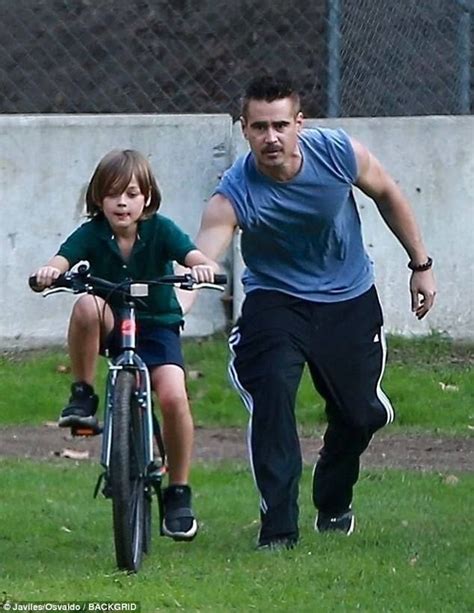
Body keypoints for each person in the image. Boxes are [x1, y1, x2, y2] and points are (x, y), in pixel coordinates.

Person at [189, 74, 436, 550]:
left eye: (280, 124)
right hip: (276, 302)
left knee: (361, 415)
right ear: (244, 129)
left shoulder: (339, 154)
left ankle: (334, 498)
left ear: (300, 123)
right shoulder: (233, 192)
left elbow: (387, 193)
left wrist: (420, 265)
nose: (271, 137)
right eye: (259, 127)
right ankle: (278, 529)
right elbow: (204, 256)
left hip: (348, 298)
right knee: (274, 395)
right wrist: (181, 299)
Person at [31, 149, 220, 542]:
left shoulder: (162, 230)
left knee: (173, 397)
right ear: (98, 198)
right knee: (85, 304)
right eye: (113, 193)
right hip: (114, 323)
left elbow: (194, 255)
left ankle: (179, 491)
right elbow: (62, 259)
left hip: (156, 328)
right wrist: (51, 271)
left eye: (132, 193)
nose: (122, 202)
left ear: (147, 198)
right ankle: (83, 394)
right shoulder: (92, 234)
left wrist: (203, 266)